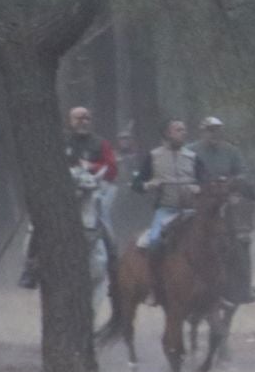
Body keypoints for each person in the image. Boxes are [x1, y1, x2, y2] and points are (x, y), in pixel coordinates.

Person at [20, 106, 120, 289]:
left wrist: (91, 166)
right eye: (78, 118)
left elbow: (112, 170)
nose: (83, 121)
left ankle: (115, 268)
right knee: (36, 226)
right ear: (69, 120)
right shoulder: (59, 141)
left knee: (106, 226)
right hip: (61, 195)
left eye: (86, 118)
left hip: (91, 194)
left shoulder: (101, 143)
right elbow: (45, 165)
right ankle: (30, 267)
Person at [192, 116, 255, 305]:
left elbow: (244, 172)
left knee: (241, 239)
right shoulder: (191, 151)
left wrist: (234, 183)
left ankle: (244, 287)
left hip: (226, 201)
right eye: (210, 130)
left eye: (217, 130)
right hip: (198, 202)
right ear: (202, 132)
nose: (214, 134)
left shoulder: (231, 151)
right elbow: (185, 174)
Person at [133, 118, 199, 254]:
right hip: (166, 211)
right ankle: (156, 274)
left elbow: (206, 180)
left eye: (184, 130)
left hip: (192, 211)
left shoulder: (193, 157)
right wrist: (148, 185)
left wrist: (199, 187)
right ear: (168, 133)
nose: (184, 133)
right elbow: (136, 184)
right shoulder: (154, 156)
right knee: (154, 242)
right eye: (179, 130)